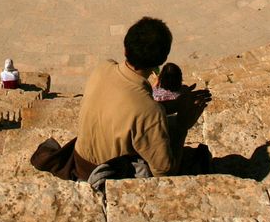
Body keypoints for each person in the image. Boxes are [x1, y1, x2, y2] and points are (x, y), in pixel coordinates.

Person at [72, 16, 211, 178]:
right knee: (199, 157)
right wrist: (182, 125)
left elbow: (129, 110)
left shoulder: (102, 68)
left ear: (125, 49)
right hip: (108, 176)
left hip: (78, 161)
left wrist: (174, 105)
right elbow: (165, 173)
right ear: (162, 60)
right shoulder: (150, 112)